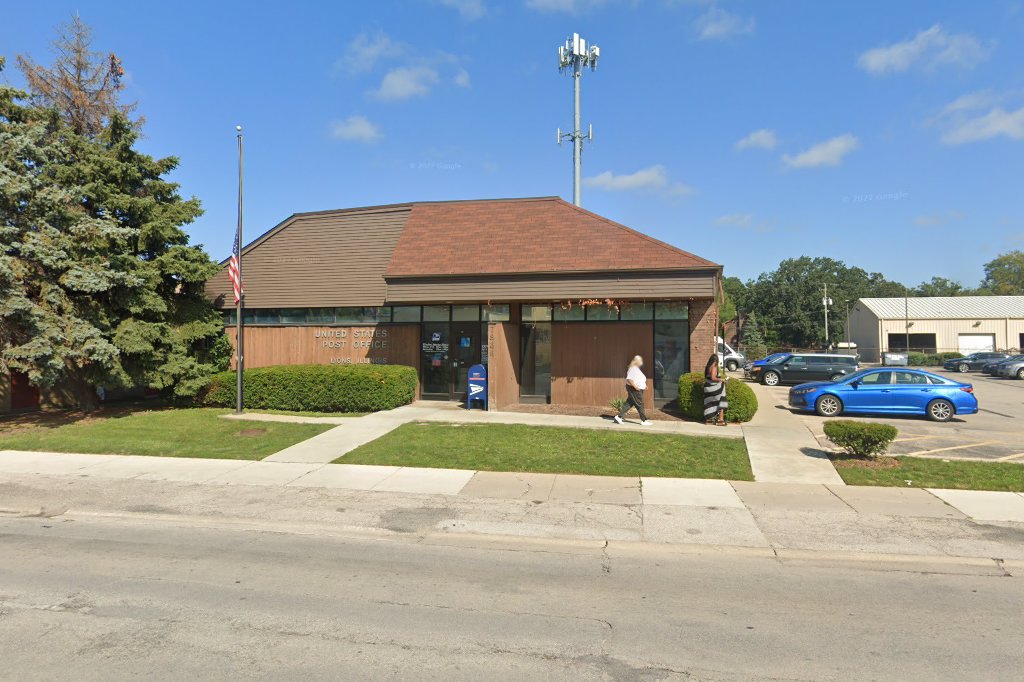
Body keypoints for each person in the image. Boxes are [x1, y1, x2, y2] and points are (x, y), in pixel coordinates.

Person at [614, 355, 652, 425]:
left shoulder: (636, 368)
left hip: (637, 389)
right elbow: (629, 379)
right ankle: (643, 420)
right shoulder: (633, 368)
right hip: (635, 390)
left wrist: (644, 385)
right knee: (640, 404)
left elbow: (638, 378)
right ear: (636, 361)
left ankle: (618, 417)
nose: (641, 362)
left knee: (629, 403)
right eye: (640, 361)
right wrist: (635, 387)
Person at [703, 354, 728, 426]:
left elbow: (708, 377)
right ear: (716, 361)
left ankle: (709, 420)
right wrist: (721, 379)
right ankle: (720, 420)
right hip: (714, 388)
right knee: (722, 400)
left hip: (707, 387)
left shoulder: (707, 367)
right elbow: (713, 377)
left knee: (709, 402)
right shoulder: (714, 367)